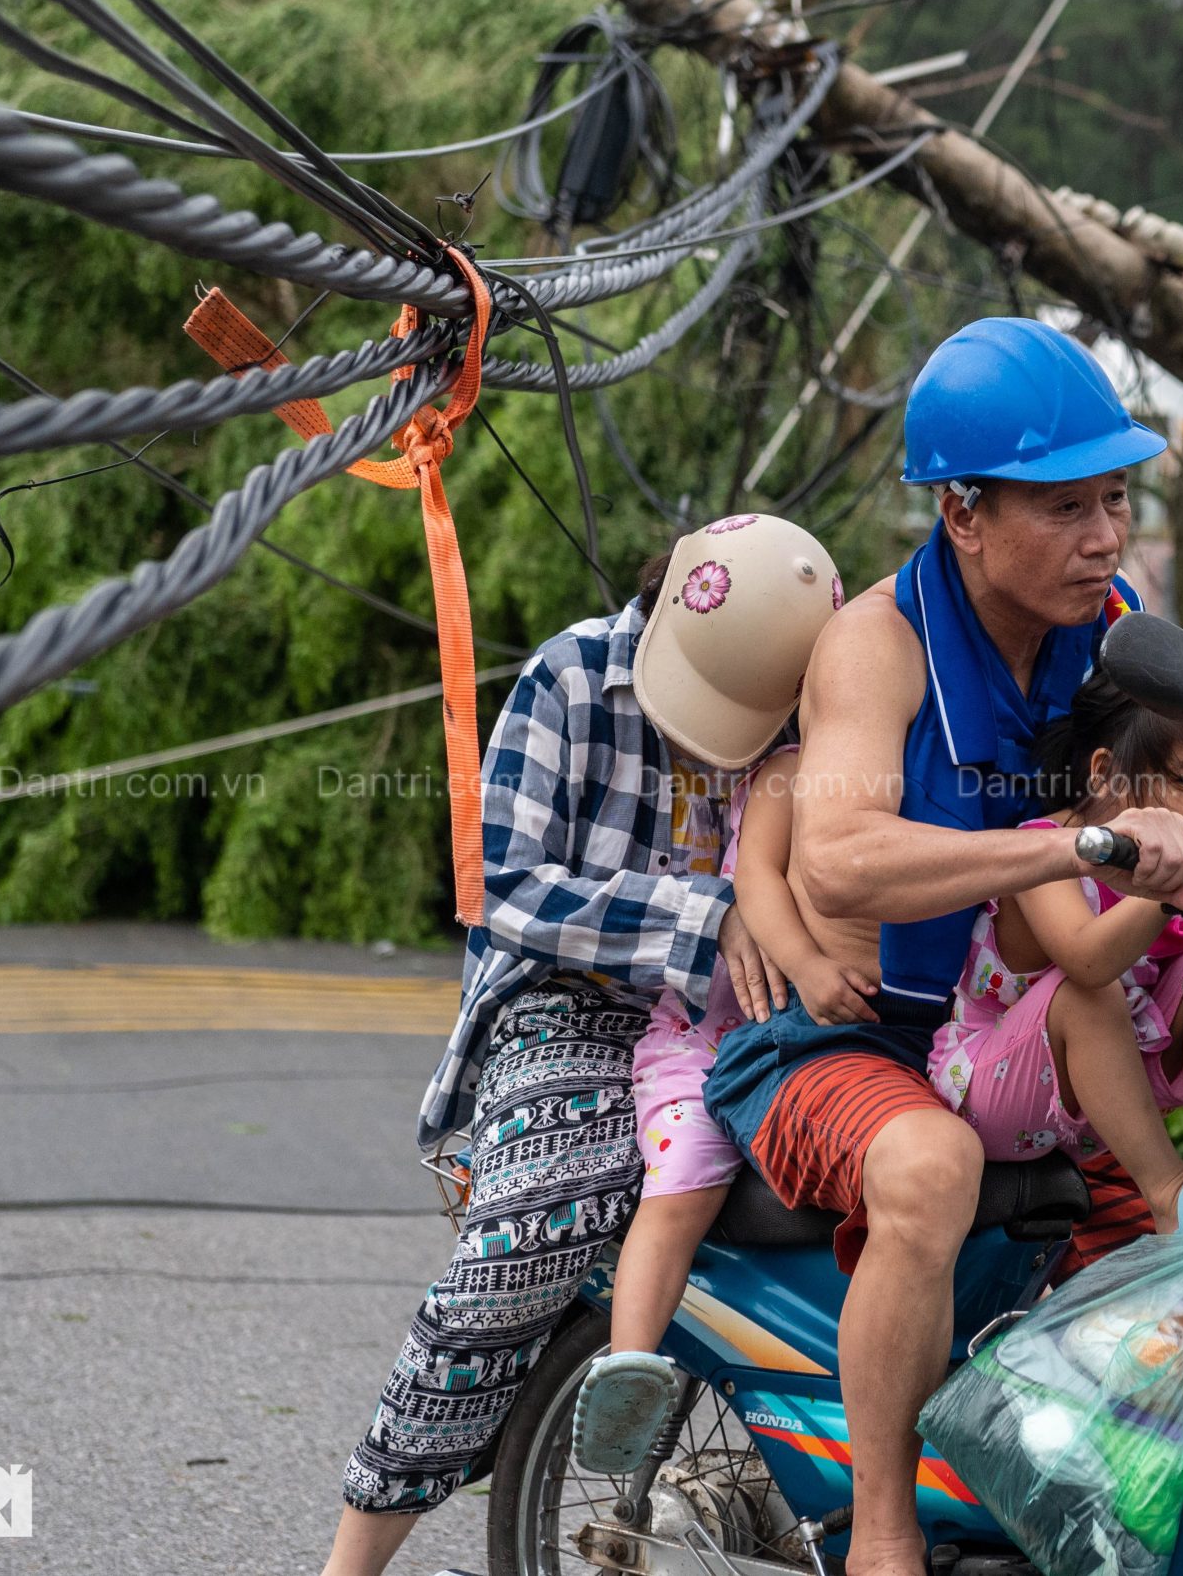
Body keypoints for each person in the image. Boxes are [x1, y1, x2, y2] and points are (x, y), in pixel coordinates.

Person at [702, 316, 1183, 1576]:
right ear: (962, 511)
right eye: (1063, 508)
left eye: (1113, 499)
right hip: (840, 1038)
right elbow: (839, 856)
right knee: (932, 1166)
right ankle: (883, 1537)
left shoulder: (1106, 624)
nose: (1102, 535)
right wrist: (1074, 851)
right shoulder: (878, 645)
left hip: (1010, 1025)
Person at [320, 513, 841, 1576]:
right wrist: (705, 915)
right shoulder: (568, 678)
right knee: (531, 1234)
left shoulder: (819, 711)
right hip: (569, 1004)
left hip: (746, 1013)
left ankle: (788, 1492)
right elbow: (502, 885)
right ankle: (349, 1562)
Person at [571, 740, 881, 1472]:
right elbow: (753, 880)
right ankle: (630, 1366)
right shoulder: (788, 771)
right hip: (706, 1037)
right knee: (681, 1188)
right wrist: (810, 965)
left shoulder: (911, 765)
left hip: (817, 1040)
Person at [928, 664, 1183, 1232]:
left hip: (1107, 1086)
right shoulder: (1041, 852)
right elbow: (1087, 958)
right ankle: (1169, 1193)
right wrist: (1168, 889)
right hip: (991, 1086)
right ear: (1105, 774)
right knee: (1088, 991)